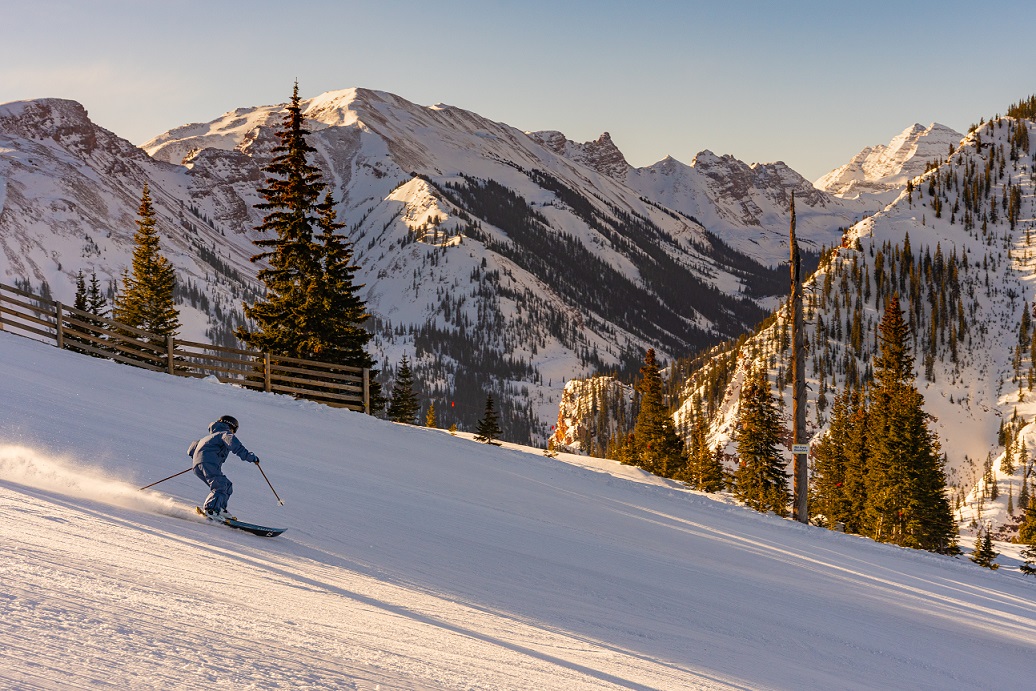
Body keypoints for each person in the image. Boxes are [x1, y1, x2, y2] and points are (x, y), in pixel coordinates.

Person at [188, 415, 259, 520]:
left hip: (198, 466)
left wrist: (200, 461)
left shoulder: (206, 437)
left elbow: (190, 451)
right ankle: (211, 510)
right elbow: (235, 446)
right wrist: (251, 457)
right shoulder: (225, 434)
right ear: (231, 427)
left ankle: (220, 508)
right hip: (209, 464)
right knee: (220, 486)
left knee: (227, 485)